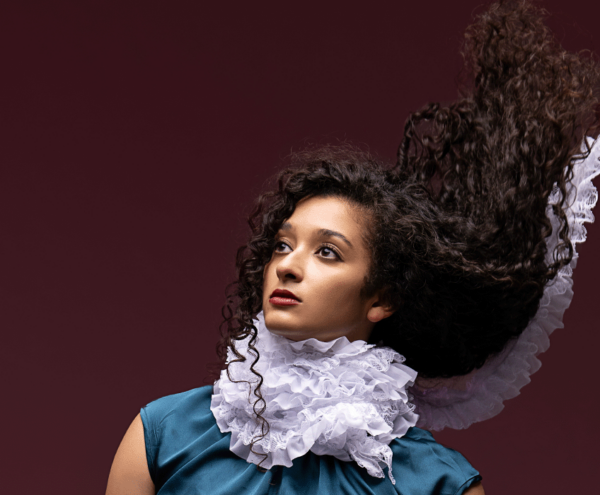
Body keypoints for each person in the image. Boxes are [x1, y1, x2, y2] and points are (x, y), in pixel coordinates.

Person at [105, 1, 600, 493]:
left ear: (381, 297)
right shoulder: (164, 437)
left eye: (327, 252)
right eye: (281, 245)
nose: (288, 267)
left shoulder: (437, 483)